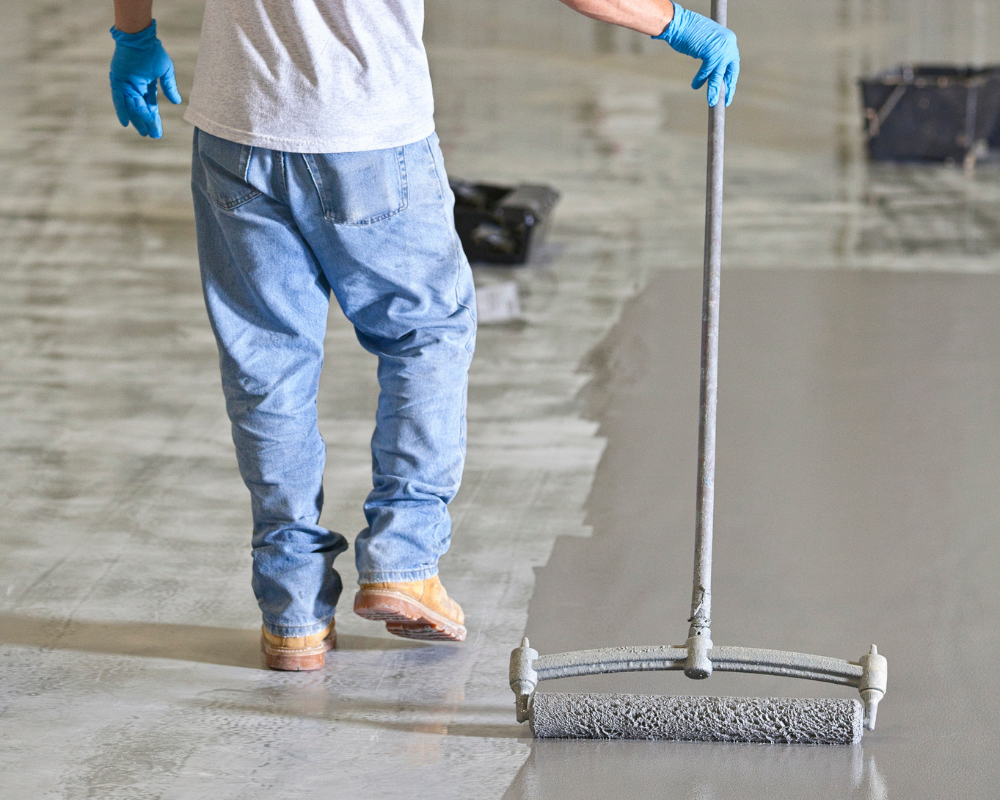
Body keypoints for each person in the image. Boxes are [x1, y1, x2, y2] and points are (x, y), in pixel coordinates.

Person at [108, 0, 739, 671]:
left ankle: (292, 611)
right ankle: (403, 560)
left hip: (238, 135)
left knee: (267, 368)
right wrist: (677, 23)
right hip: (369, 138)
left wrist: (134, 32)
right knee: (424, 337)